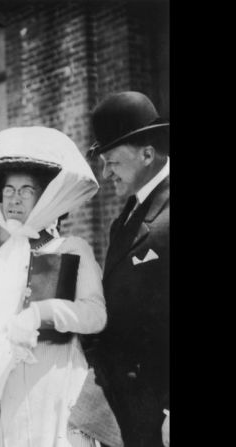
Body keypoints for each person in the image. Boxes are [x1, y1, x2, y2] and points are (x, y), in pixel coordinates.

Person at [0, 126, 106, 447]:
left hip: (56, 382)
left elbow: (95, 318)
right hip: (9, 390)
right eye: (8, 191)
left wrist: (43, 315)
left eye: (25, 191)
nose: (14, 200)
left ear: (45, 196)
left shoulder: (68, 249)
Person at [85, 91, 170, 447]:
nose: (106, 174)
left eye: (113, 163)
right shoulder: (124, 221)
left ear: (147, 154)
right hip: (128, 410)